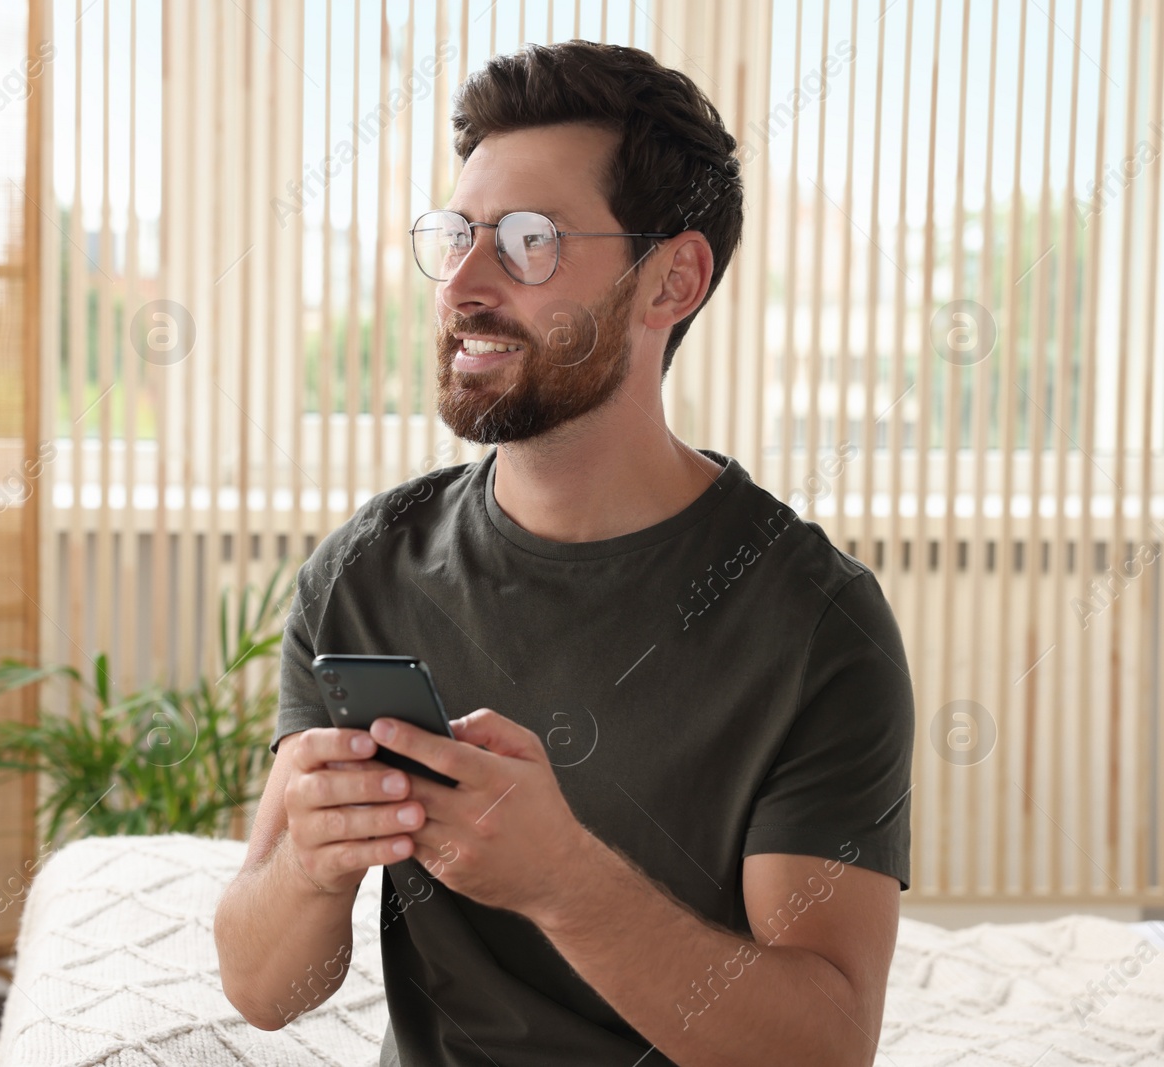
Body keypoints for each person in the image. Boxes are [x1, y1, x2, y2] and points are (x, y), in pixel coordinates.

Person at [215, 38, 912, 1067]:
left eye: (529, 240)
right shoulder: (364, 575)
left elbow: (823, 1045)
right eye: (456, 233)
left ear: (669, 279)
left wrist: (562, 881)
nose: (461, 281)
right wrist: (310, 872)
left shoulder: (815, 623)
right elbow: (266, 989)